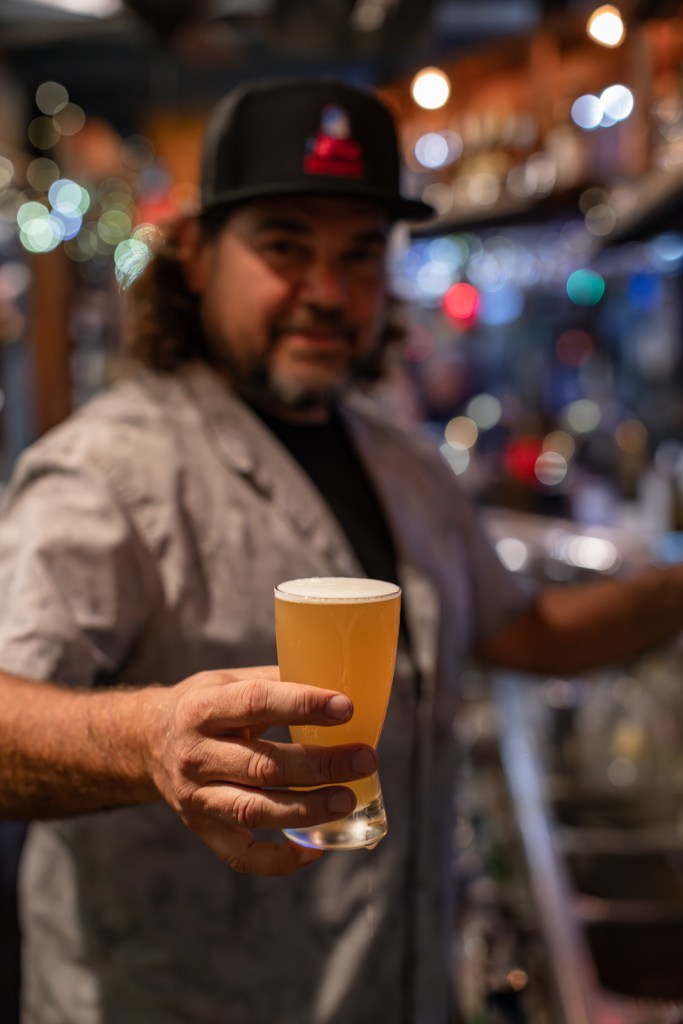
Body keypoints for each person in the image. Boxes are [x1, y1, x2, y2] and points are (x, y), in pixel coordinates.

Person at [2, 76, 683, 1024]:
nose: (327, 293)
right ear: (195, 255)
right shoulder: (107, 471)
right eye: (285, 247)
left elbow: (526, 634)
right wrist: (147, 739)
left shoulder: (402, 460)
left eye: (359, 255)